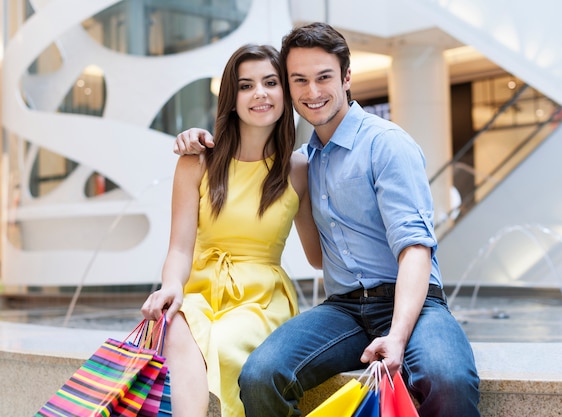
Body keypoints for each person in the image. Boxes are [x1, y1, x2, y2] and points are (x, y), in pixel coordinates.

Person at [173, 22, 481, 417]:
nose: (312, 92)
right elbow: (317, 258)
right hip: (344, 309)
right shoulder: (305, 161)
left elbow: (416, 248)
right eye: (299, 80)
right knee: (260, 375)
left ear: (347, 77)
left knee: (448, 379)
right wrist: (199, 139)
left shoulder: (386, 144)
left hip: (414, 305)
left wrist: (398, 336)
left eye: (324, 78)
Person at [140, 44, 321, 417]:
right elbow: (179, 247)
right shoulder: (197, 161)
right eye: (246, 85)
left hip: (261, 298)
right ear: (231, 98)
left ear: (284, 92)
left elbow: (318, 256)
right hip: (201, 289)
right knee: (174, 324)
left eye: (270, 82)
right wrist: (172, 285)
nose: (259, 93)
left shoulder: (299, 169)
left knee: (222, 342)